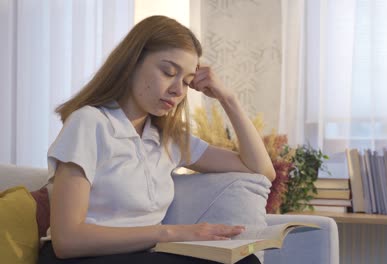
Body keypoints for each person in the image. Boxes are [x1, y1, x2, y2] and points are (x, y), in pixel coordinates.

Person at [38, 15, 275, 264]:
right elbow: (67, 241)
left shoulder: (168, 138)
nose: (178, 90)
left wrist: (228, 99)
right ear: (132, 63)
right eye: (168, 72)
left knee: (244, 261)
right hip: (82, 258)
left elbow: (261, 170)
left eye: (186, 81)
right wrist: (173, 233)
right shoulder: (89, 123)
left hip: (143, 255)